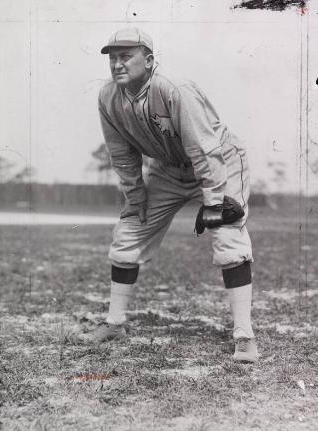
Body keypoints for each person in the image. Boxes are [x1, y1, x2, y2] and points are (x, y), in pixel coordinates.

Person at [80, 27, 259, 362]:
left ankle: (245, 336)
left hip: (217, 161)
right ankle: (115, 323)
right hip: (168, 168)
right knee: (130, 229)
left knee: (227, 235)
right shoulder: (108, 97)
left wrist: (215, 199)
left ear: (148, 60)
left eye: (126, 56)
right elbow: (121, 154)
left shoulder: (173, 89)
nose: (118, 64)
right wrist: (135, 197)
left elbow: (204, 148)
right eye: (113, 58)